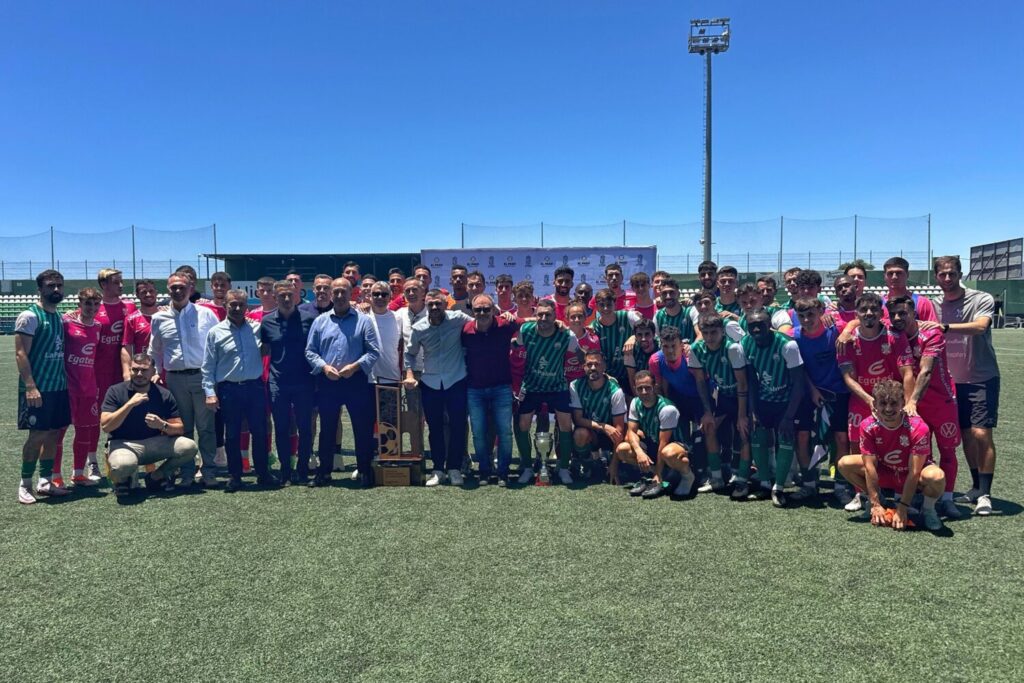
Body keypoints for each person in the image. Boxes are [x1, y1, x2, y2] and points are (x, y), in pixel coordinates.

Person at [934, 255, 1000, 516]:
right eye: (942, 274)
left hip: (981, 377)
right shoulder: (934, 304)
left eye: (952, 273)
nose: (948, 278)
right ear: (936, 276)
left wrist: (945, 327)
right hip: (950, 382)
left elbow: (981, 326)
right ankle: (974, 487)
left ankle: (985, 494)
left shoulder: (981, 298)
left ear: (960, 273)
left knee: (982, 434)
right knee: (965, 437)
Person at [837, 292, 914, 511]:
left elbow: (907, 372)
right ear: (857, 314)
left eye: (874, 309)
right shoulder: (847, 341)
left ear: (881, 313)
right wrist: (870, 399)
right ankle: (861, 494)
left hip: (892, 404)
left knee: (900, 444)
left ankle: (900, 492)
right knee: (856, 447)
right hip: (862, 401)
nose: (869, 313)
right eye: (864, 310)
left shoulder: (895, 337)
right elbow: (848, 378)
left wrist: (908, 404)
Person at [886, 295, 961, 518]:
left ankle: (947, 499)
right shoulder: (893, 335)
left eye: (903, 313)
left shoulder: (931, 333)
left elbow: (926, 371)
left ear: (914, 313)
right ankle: (919, 496)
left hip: (940, 401)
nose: (898, 318)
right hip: (912, 404)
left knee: (947, 450)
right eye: (893, 314)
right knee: (918, 453)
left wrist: (913, 402)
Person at [836, 380, 945, 531]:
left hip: (912, 475)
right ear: (875, 404)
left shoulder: (918, 427)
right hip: (886, 472)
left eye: (893, 403)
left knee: (936, 477)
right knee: (844, 463)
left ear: (903, 403)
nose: (888, 409)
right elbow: (869, 467)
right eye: (882, 403)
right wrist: (875, 504)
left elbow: (914, 472)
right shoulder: (867, 426)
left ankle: (928, 509)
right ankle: (879, 499)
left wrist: (902, 507)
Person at [148, 272, 221, 487]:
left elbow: (217, 345)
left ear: (190, 288)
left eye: (182, 287)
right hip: (175, 380)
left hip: (202, 377)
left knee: (206, 427)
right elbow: (155, 351)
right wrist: (156, 372)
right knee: (183, 427)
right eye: (173, 288)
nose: (178, 291)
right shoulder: (158, 318)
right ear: (168, 289)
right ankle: (187, 471)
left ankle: (208, 470)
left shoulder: (206, 314)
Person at [305, 277, 379, 488]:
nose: (338, 296)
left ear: (351, 293)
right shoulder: (320, 321)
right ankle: (324, 472)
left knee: (362, 428)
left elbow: (374, 351)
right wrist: (324, 367)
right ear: (330, 294)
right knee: (327, 428)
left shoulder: (364, 321)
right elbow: (310, 351)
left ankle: (364, 470)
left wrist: (354, 367)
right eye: (335, 292)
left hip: (355, 380)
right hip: (329, 380)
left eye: (343, 292)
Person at [201, 289, 278, 492]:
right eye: (232, 304)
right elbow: (208, 367)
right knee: (232, 435)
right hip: (229, 390)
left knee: (260, 432)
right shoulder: (215, 332)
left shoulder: (257, 328)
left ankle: (263, 473)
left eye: (240, 305)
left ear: (247, 307)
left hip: (254, 387)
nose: (236, 308)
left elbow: (270, 348)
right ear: (225, 305)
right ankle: (235, 476)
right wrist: (210, 392)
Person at [101, 353, 198, 497]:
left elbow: (180, 428)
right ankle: (124, 480)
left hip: (154, 444)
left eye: (144, 370)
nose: (139, 374)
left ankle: (156, 477)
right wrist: (129, 404)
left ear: (153, 372)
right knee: (123, 465)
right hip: (124, 444)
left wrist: (162, 425)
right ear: (130, 370)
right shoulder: (116, 391)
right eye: (135, 369)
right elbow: (106, 426)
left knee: (189, 447)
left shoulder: (163, 394)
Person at [404, 290, 473, 486]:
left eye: (438, 304)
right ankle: (438, 469)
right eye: (431, 304)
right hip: (431, 382)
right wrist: (409, 374)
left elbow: (478, 325)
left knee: (458, 426)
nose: (434, 308)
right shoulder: (419, 328)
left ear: (446, 304)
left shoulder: (458, 318)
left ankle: (454, 468)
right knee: (434, 428)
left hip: (456, 379)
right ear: (426, 305)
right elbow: (410, 354)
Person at [15, 269, 72, 503]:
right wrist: (30, 386)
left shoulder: (59, 316)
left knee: (53, 435)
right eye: (51, 286)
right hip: (38, 389)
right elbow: (20, 353)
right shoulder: (30, 316)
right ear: (40, 289)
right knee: (37, 435)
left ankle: (45, 481)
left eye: (59, 285)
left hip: (58, 387)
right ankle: (25, 484)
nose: (56, 289)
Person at [740, 309, 807, 507]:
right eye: (752, 325)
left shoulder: (787, 345)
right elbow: (751, 380)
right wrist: (752, 411)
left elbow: (799, 384)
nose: (756, 328)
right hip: (763, 400)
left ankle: (779, 488)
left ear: (769, 324)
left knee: (785, 438)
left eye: (761, 324)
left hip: (787, 402)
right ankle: (764, 483)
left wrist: (788, 417)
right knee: (757, 435)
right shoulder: (745, 343)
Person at [514, 299, 582, 485]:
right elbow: (515, 345)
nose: (543, 318)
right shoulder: (526, 331)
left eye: (548, 315)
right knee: (523, 424)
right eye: (540, 314)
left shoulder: (566, 335)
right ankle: (527, 467)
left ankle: (563, 468)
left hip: (557, 386)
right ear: (536, 314)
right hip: (532, 385)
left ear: (555, 317)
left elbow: (580, 356)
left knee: (566, 424)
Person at [790, 297, 850, 503]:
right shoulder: (795, 337)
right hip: (809, 395)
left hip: (839, 393)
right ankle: (809, 484)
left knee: (841, 439)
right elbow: (800, 368)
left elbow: (858, 320)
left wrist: (850, 326)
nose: (807, 320)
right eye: (802, 316)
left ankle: (841, 486)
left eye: (811, 315)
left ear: (821, 312)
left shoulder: (836, 329)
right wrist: (812, 390)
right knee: (803, 438)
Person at [260, 280, 317, 485]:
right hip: (278, 383)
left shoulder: (310, 319)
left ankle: (302, 470)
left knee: (305, 428)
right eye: (281, 295)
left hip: (304, 382)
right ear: (274, 297)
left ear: (296, 295)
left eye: (289, 295)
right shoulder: (266, 322)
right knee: (281, 428)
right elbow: (264, 351)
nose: (286, 299)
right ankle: (285, 471)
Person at [687, 314, 750, 498]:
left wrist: (742, 415)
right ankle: (716, 478)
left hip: (742, 397)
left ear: (722, 331)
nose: (709, 337)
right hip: (723, 396)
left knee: (744, 431)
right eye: (705, 332)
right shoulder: (696, 348)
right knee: (709, 427)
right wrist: (707, 412)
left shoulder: (733, 348)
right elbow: (700, 381)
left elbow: (742, 383)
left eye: (713, 332)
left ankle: (742, 480)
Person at [462, 293, 519, 485]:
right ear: (472, 311)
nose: (482, 313)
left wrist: (560, 324)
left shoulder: (505, 325)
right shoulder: (466, 330)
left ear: (493, 309)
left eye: (487, 309)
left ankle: (503, 471)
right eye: (478, 309)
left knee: (505, 431)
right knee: (478, 432)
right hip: (474, 389)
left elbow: (531, 322)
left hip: (501, 387)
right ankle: (484, 471)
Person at [612, 371, 695, 499]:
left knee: (668, 453)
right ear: (635, 389)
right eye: (640, 388)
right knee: (622, 449)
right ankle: (650, 476)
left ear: (655, 387)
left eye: (647, 388)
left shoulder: (667, 409)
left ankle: (687, 476)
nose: (644, 392)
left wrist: (658, 473)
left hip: (676, 446)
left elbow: (664, 443)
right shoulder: (635, 402)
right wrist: (639, 452)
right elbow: (631, 431)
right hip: (654, 444)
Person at [54, 289, 102, 488]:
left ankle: (78, 474)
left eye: (95, 305)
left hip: (88, 387)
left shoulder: (98, 326)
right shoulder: (66, 322)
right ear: (80, 303)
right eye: (88, 304)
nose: (91, 309)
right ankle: (55, 475)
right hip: (67, 387)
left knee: (85, 431)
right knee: (59, 432)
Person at [569, 351, 627, 479]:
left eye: (597, 364)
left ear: (604, 367)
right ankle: (588, 463)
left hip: (609, 436)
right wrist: (603, 426)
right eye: (589, 364)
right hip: (592, 433)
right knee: (580, 434)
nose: (593, 368)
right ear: (583, 366)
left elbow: (619, 430)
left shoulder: (615, 391)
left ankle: (615, 462)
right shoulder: (575, 386)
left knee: (621, 437)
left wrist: (614, 466)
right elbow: (577, 420)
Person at [95, 268, 137, 421]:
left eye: (121, 281)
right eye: (116, 282)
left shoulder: (130, 307)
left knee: (127, 409)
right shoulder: (94, 308)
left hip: (124, 369)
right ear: (103, 284)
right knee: (104, 412)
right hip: (100, 370)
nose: (121, 285)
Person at [590, 288, 641, 389]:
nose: (605, 308)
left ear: (615, 304)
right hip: (608, 377)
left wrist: (634, 336)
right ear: (596, 306)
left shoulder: (628, 316)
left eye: (609, 304)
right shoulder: (594, 327)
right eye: (601, 305)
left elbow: (648, 330)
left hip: (632, 373)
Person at [121, 279, 159, 380]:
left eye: (151, 291)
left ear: (156, 293)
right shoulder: (131, 319)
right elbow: (126, 347)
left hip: (164, 369)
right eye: (143, 292)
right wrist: (126, 373)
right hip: (142, 371)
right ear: (137, 295)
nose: (148, 294)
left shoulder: (166, 315)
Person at [883, 256, 937, 322]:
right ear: (884, 276)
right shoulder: (878, 305)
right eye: (890, 273)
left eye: (899, 273)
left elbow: (933, 330)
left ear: (907, 275)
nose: (894, 277)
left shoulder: (922, 303)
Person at [563, 301, 601, 383]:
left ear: (585, 317)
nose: (577, 320)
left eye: (580, 316)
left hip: (584, 382)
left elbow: (595, 366)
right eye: (573, 317)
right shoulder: (561, 337)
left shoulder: (593, 339)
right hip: (563, 382)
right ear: (567, 318)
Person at [624, 317, 659, 395]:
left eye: (647, 334)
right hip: (641, 387)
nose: (643, 338)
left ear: (653, 334)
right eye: (639, 335)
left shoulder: (661, 348)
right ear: (635, 336)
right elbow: (632, 378)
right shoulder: (630, 350)